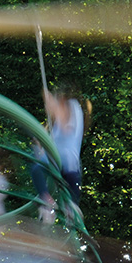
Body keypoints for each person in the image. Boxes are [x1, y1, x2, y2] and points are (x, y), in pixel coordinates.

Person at [30, 85, 91, 223]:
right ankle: (47, 203)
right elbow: (48, 144)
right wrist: (38, 143)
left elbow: (66, 128)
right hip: (56, 162)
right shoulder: (55, 124)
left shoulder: (72, 107)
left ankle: (67, 207)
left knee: (40, 170)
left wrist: (52, 105)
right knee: (36, 168)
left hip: (66, 161)